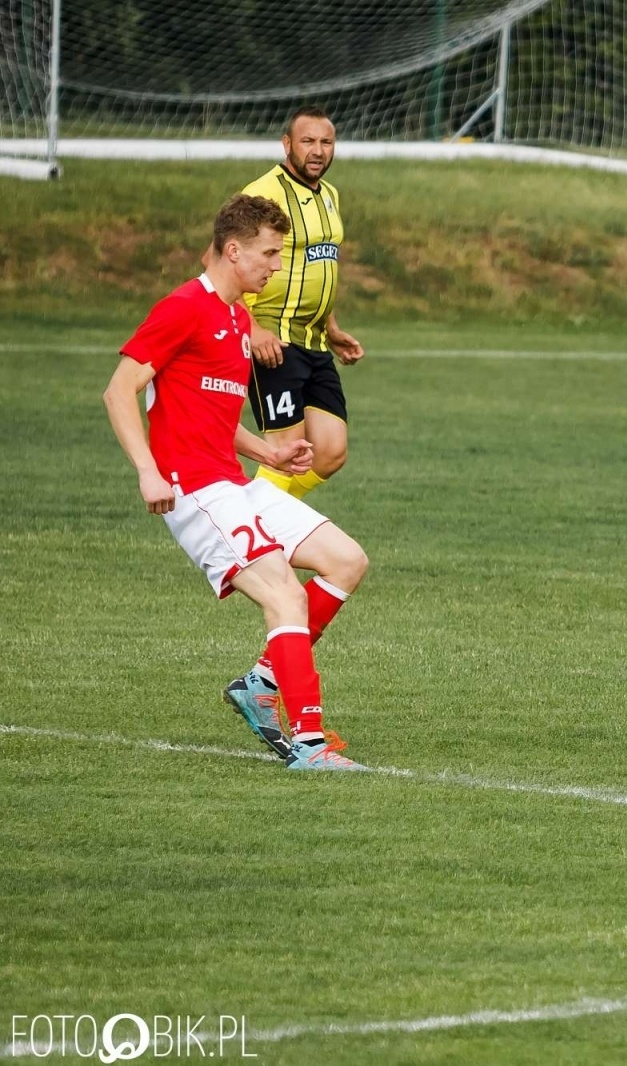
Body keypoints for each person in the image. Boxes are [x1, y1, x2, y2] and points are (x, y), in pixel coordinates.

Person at [105, 193, 369, 771]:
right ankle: (307, 741)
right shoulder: (182, 308)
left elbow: (215, 417)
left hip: (233, 480)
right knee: (285, 595)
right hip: (193, 490)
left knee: (346, 560)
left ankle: (261, 683)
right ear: (233, 251)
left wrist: (269, 449)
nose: (276, 265)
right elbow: (119, 390)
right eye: (269, 254)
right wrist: (148, 472)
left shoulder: (236, 317)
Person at [234, 105, 363, 500]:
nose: (318, 150)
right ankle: (253, 540)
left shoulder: (330, 196)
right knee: (285, 455)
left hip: (314, 341)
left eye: (326, 142)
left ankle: (257, 520)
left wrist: (332, 326)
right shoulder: (263, 194)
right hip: (274, 340)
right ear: (287, 144)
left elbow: (318, 266)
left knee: (329, 451)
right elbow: (218, 261)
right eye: (307, 141)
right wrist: (252, 329)